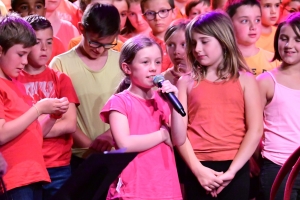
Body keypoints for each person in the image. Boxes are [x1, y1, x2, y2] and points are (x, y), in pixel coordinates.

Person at [171, 11, 263, 200]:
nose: (197, 48)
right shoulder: (186, 82)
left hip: (235, 166)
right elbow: (180, 134)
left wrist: (232, 172)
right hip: (197, 166)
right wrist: (198, 170)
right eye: (194, 42)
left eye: (204, 42)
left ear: (223, 40)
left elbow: (255, 130)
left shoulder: (245, 80)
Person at [100, 35, 182, 200]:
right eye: (145, 62)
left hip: (166, 188)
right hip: (135, 190)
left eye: (157, 62)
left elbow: (179, 139)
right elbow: (125, 143)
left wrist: (175, 101)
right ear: (127, 68)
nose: (153, 68)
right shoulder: (120, 102)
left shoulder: (165, 99)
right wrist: (162, 135)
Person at [0, 14, 69, 200]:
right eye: (21, 54)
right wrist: (37, 109)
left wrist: (52, 116)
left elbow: (34, 132)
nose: (24, 61)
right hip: (14, 179)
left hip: (33, 174)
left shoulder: (16, 84)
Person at [49, 3, 124, 171]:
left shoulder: (121, 62)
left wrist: (111, 134)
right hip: (78, 157)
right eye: (94, 43)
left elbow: (131, 107)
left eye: (107, 44)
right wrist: (91, 148)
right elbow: (60, 117)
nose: (99, 50)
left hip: (117, 153)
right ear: (81, 29)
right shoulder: (60, 64)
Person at [16, 15, 79, 200]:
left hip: (58, 165)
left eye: (49, 42)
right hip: (26, 165)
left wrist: (27, 129)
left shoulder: (61, 79)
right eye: (37, 42)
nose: (44, 48)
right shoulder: (13, 79)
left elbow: (69, 124)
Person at [256, 12, 300, 200]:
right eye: (284, 38)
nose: (289, 45)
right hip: (278, 167)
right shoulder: (265, 81)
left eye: (297, 39)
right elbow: (252, 128)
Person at [225, 0, 280, 76]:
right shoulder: (223, 62)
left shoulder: (275, 61)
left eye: (257, 20)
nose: (253, 27)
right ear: (229, 23)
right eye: (245, 21)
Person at [141, 0, 177, 72]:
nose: (157, 18)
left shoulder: (186, 41)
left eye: (163, 11)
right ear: (144, 17)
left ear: (174, 12)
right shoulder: (142, 46)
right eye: (150, 13)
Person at [163, 18, 190, 85]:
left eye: (184, 44)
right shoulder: (162, 82)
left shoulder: (208, 76)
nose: (176, 51)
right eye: (171, 45)